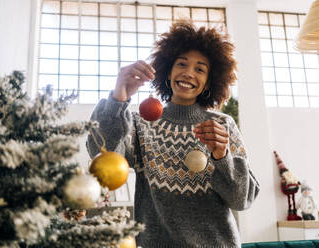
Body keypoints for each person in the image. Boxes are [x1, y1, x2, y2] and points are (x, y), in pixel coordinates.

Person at [87, 20, 260, 248]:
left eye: (200, 69)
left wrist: (222, 157)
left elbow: (241, 199)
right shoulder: (142, 125)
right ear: (168, 71)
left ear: (208, 83)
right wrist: (118, 98)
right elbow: (102, 155)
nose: (189, 73)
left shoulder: (221, 126)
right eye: (181, 64)